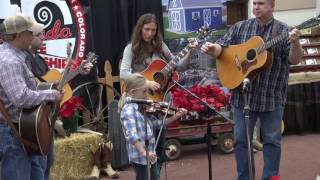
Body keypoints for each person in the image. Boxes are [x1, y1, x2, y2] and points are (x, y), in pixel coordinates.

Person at [201, 0, 302, 179]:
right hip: (243, 97)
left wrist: (295, 43)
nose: (256, 7)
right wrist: (211, 48)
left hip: (271, 96)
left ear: (272, 6)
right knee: (241, 142)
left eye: (261, 3)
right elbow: (221, 48)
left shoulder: (283, 31)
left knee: (271, 141)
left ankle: (270, 177)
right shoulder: (240, 27)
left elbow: (295, 60)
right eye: (254, 3)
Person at [120, 13, 196, 178]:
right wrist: (145, 83)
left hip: (159, 100)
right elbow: (124, 73)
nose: (150, 33)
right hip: (141, 100)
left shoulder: (160, 45)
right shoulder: (131, 48)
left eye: (153, 30)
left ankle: (156, 175)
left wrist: (190, 52)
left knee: (160, 147)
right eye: (147, 29)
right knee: (145, 146)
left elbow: (179, 66)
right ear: (140, 29)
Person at [0, 13, 63, 180]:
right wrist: (50, 94)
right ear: (19, 35)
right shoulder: (9, 61)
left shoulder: (15, 56)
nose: (33, 36)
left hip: (22, 129)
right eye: (30, 32)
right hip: (13, 131)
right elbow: (20, 98)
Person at [25, 29, 93, 180]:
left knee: (48, 161)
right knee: (38, 165)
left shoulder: (38, 58)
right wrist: (50, 93)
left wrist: (77, 71)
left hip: (44, 115)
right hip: (32, 118)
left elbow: (51, 83)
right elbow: (31, 89)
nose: (43, 38)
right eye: (39, 35)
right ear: (27, 37)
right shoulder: (22, 59)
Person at [119, 73, 187, 180]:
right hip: (140, 156)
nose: (147, 95)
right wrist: (144, 152)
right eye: (144, 91)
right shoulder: (128, 111)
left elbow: (157, 124)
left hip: (151, 154)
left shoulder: (142, 107)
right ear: (132, 92)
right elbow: (131, 135)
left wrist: (176, 116)